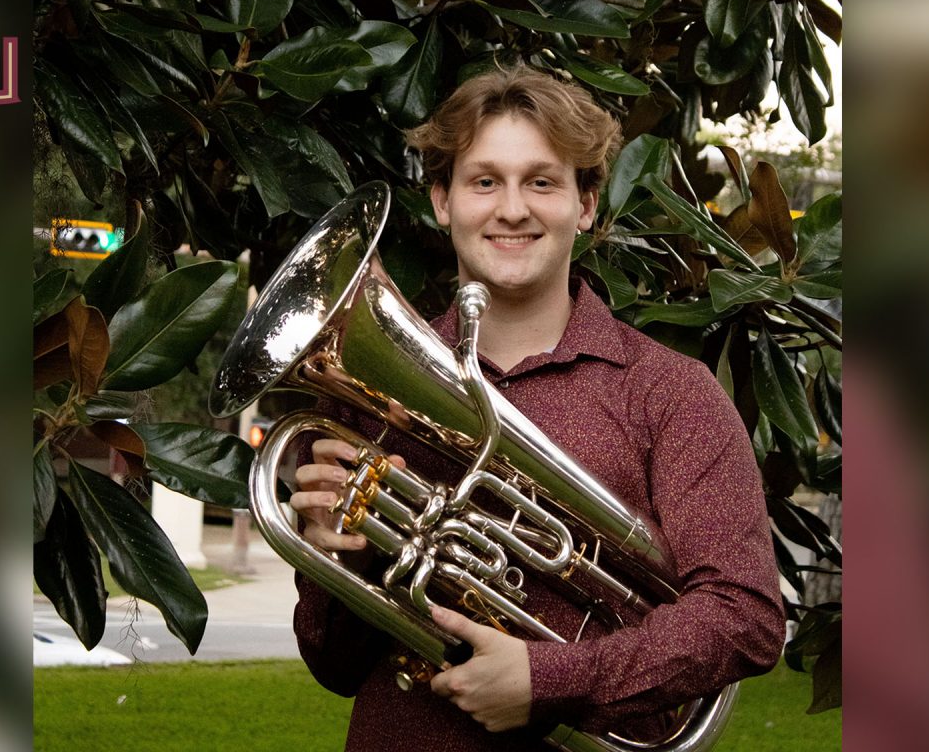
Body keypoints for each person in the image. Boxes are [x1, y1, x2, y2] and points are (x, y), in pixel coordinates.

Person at [288, 65, 785, 751]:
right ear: (442, 200)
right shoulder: (368, 386)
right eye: (484, 180)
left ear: (585, 205)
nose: (512, 208)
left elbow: (744, 616)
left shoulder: (671, 393)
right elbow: (333, 666)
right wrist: (332, 554)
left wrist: (551, 676)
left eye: (542, 181)